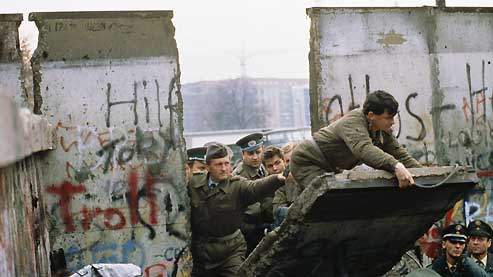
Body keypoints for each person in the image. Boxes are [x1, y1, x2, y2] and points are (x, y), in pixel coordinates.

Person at [188, 143, 286, 276]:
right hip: (201, 253)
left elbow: (256, 188)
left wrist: (277, 179)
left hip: (230, 250)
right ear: (208, 166)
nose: (224, 168)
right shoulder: (194, 183)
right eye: (218, 164)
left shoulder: (237, 185)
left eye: (227, 163)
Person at [290, 90, 421, 189]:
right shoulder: (353, 121)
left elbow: (401, 155)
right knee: (328, 204)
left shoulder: (382, 129)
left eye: (393, 117)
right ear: (371, 115)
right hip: (308, 161)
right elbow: (364, 150)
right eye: (388, 117)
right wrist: (396, 166)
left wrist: (425, 174)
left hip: (330, 165)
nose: (392, 122)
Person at [232, 133, 272, 254]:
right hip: (249, 234)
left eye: (258, 152)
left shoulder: (265, 169)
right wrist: (250, 229)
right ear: (243, 154)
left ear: (263, 150)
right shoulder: (238, 177)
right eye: (250, 154)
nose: (255, 157)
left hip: (267, 227)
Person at [262, 145, 302, 227]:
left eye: (277, 163)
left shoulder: (296, 176)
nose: (275, 168)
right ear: (265, 168)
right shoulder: (265, 187)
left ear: (283, 161)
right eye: (270, 166)